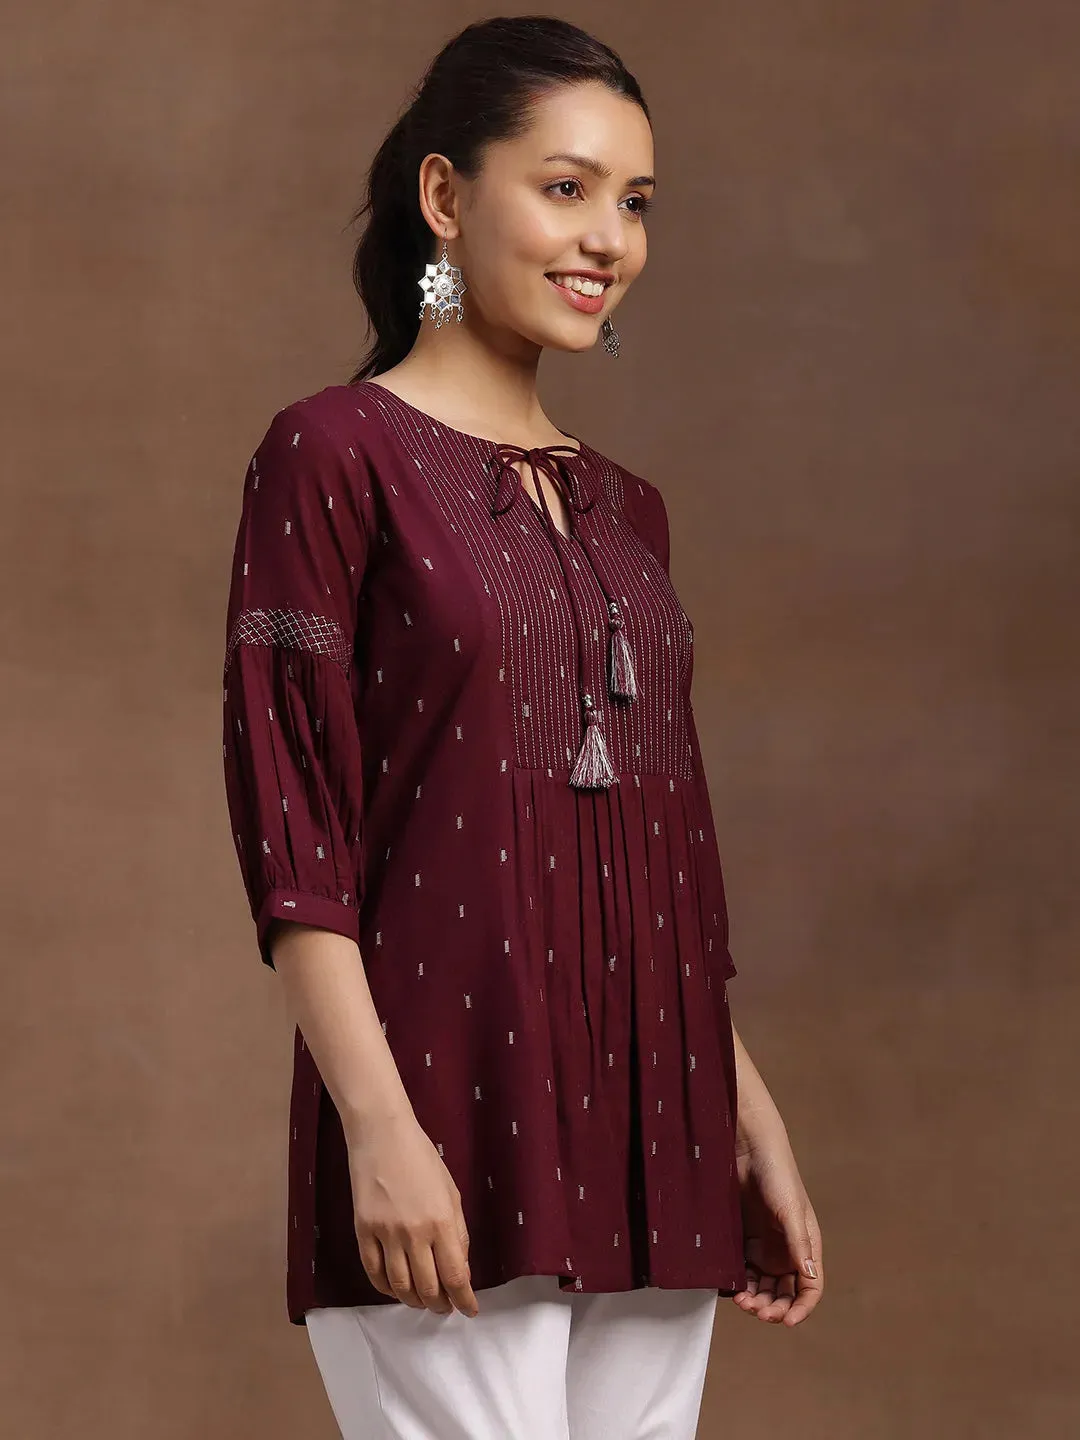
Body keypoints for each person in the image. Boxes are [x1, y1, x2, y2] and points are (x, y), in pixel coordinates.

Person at [221, 14, 823, 1438]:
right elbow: (296, 831)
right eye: (566, 188)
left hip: (661, 1127)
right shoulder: (334, 454)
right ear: (445, 195)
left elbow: (653, 843)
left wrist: (747, 1110)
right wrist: (378, 1130)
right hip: (448, 1105)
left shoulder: (628, 512)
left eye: (636, 201)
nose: (609, 237)